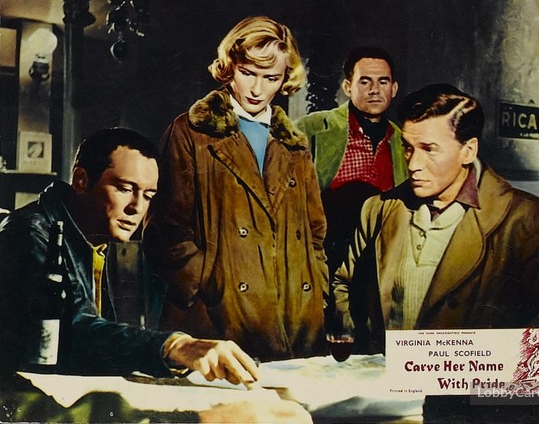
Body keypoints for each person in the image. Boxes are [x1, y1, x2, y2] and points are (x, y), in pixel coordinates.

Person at [0, 127, 312, 423]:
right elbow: (74, 330)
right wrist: (174, 347)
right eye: (125, 189)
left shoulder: (92, 238)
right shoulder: (31, 234)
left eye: (149, 195)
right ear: (81, 180)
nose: (137, 207)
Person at [332, 83, 539, 355]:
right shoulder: (378, 210)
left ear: (468, 151)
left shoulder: (532, 222)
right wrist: (360, 355)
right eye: (408, 148)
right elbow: (343, 285)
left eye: (429, 149)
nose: (413, 164)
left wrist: (486, 363)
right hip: (384, 377)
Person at [143, 16, 328, 361]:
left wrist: (317, 289)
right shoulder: (191, 133)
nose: (257, 89)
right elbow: (165, 230)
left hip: (297, 321)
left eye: (271, 78)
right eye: (247, 73)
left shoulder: (295, 145)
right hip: (218, 321)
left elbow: (315, 234)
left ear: (285, 78)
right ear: (230, 67)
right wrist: (211, 282)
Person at [294, 47, 408, 327]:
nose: (374, 90)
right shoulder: (311, 129)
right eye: (364, 81)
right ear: (348, 87)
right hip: (322, 253)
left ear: (393, 89)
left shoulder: (404, 142)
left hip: (376, 258)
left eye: (382, 82)